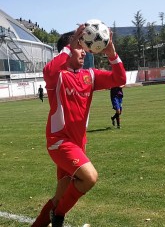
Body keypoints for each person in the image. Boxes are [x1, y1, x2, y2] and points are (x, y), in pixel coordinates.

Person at [31, 24, 126, 227]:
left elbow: (120, 79)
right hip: (59, 142)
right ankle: (58, 216)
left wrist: (112, 54)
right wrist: (70, 45)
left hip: (78, 144)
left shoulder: (89, 76)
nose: (83, 51)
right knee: (90, 178)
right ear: (68, 49)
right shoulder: (58, 76)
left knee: (59, 196)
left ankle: (49, 216)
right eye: (79, 46)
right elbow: (48, 70)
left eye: (85, 46)